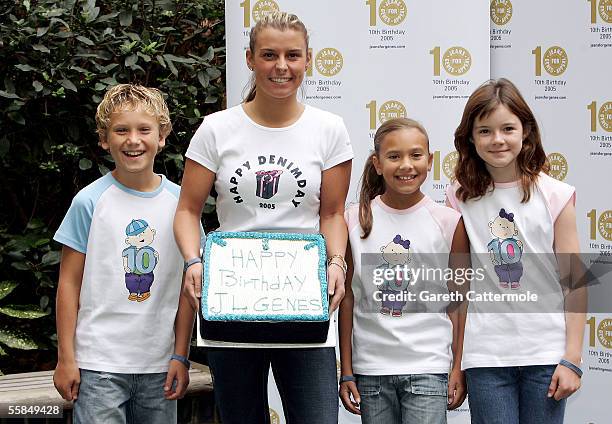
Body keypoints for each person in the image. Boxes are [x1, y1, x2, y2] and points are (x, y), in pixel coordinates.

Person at [173, 11, 353, 424]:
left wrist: (337, 261)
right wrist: (193, 260)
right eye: (269, 55)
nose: (281, 66)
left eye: (293, 55)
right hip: (232, 304)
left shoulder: (329, 129)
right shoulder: (216, 129)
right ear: (251, 58)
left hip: (306, 306)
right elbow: (187, 210)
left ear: (308, 60)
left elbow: (331, 213)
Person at [445, 78, 586, 424]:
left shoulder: (554, 194)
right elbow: (458, 290)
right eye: (485, 131)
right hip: (486, 359)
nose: (497, 140)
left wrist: (572, 358)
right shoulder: (459, 198)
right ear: (470, 138)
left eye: (508, 128)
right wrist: (457, 363)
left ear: (526, 132)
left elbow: (576, 283)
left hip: (546, 357)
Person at [53, 84, 195, 424]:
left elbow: (189, 288)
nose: (133, 140)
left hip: (160, 365)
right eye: (121, 130)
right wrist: (66, 358)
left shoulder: (183, 207)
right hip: (98, 365)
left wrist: (181, 355)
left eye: (144, 129)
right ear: (104, 139)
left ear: (162, 137)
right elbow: (68, 285)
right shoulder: (89, 202)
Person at [339, 118, 468, 423]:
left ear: (430, 161)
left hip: (429, 368)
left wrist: (457, 365)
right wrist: (346, 369)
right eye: (394, 156)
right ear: (378, 163)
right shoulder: (354, 221)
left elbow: (459, 303)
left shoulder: (449, 222)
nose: (406, 165)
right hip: (371, 372)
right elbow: (347, 300)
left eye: (416, 155)